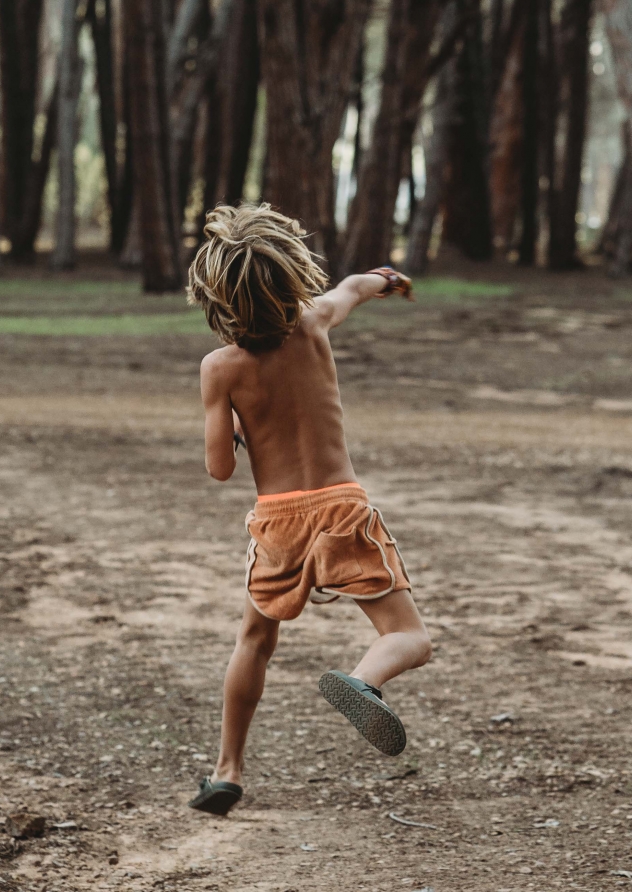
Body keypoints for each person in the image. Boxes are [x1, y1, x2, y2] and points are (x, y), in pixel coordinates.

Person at [185, 203, 432, 816]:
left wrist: (240, 429)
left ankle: (226, 773)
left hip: (277, 521)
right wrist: (388, 278)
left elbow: (219, 469)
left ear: (218, 295)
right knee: (408, 636)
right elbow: (353, 287)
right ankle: (364, 681)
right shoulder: (314, 322)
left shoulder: (219, 369)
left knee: (254, 641)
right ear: (292, 272)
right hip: (341, 509)